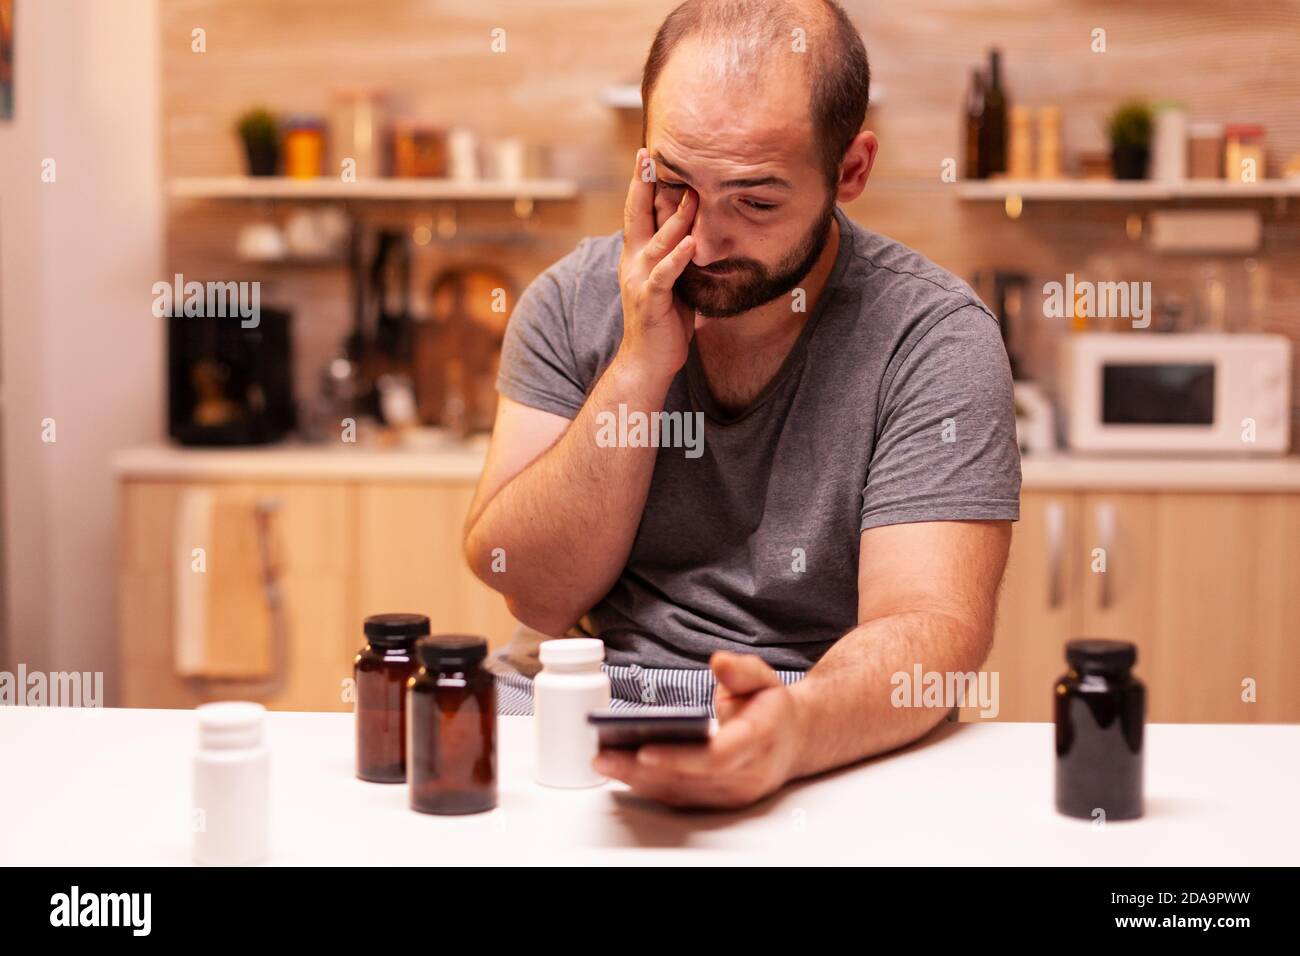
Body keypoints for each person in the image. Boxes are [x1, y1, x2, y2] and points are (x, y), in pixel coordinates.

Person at [463, 0, 1021, 808]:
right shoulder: (571, 300)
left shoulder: (932, 337)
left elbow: (928, 630)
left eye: (756, 202)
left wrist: (791, 729)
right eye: (675, 186)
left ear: (852, 170)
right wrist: (637, 368)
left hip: (818, 710)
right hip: (578, 683)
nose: (704, 240)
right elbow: (533, 591)